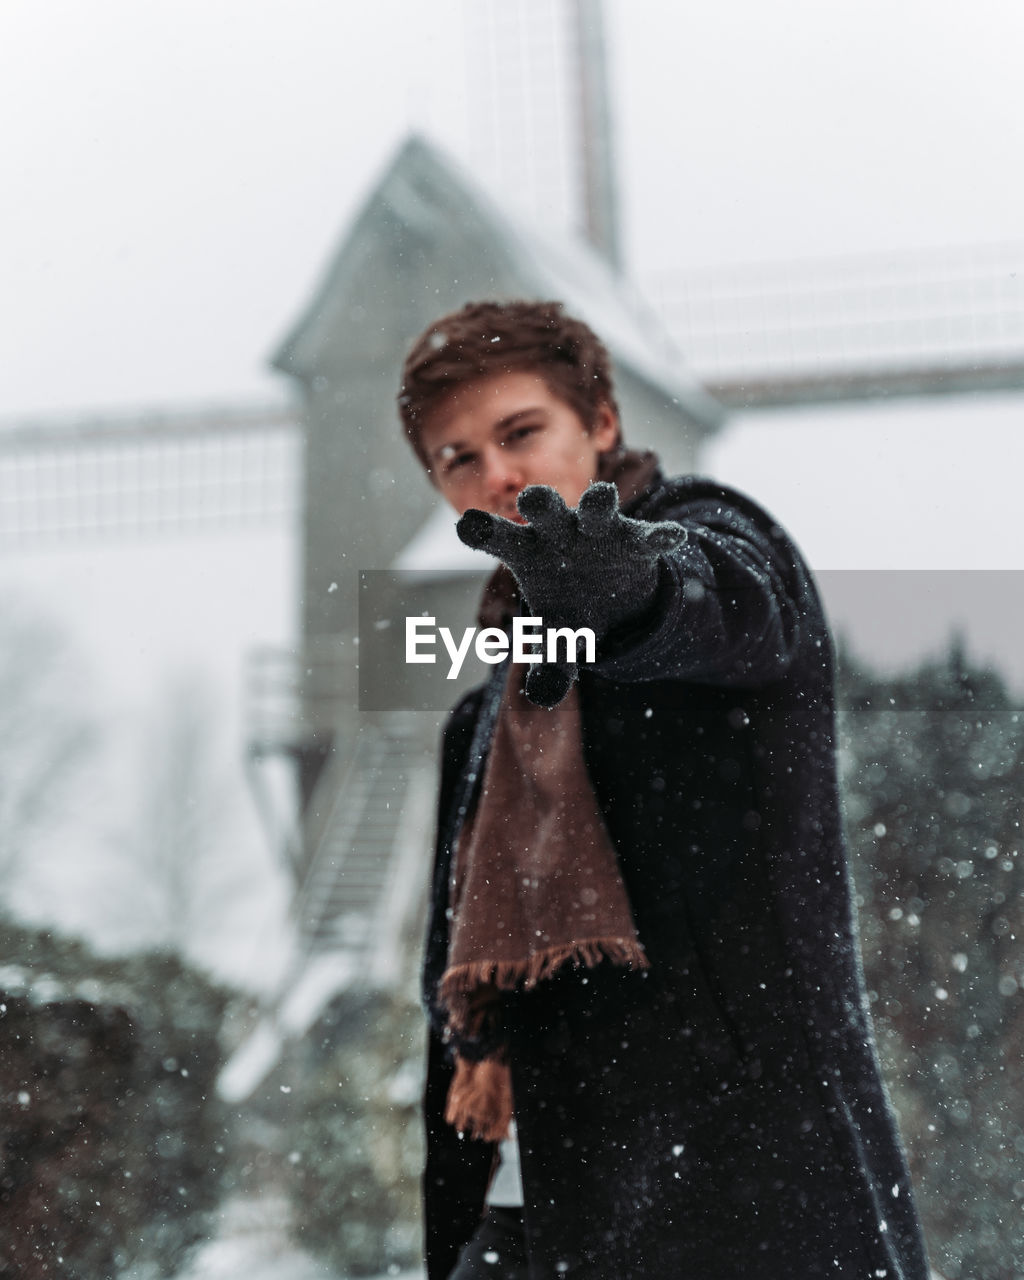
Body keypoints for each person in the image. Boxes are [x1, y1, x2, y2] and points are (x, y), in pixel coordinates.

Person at [397, 300, 930, 1280]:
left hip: (739, 1188)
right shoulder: (481, 722)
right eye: (457, 457)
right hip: (526, 1213)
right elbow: (452, 977)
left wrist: (619, 592)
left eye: (521, 432)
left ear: (599, 420)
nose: (496, 475)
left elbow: (717, 599)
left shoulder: (712, 537)